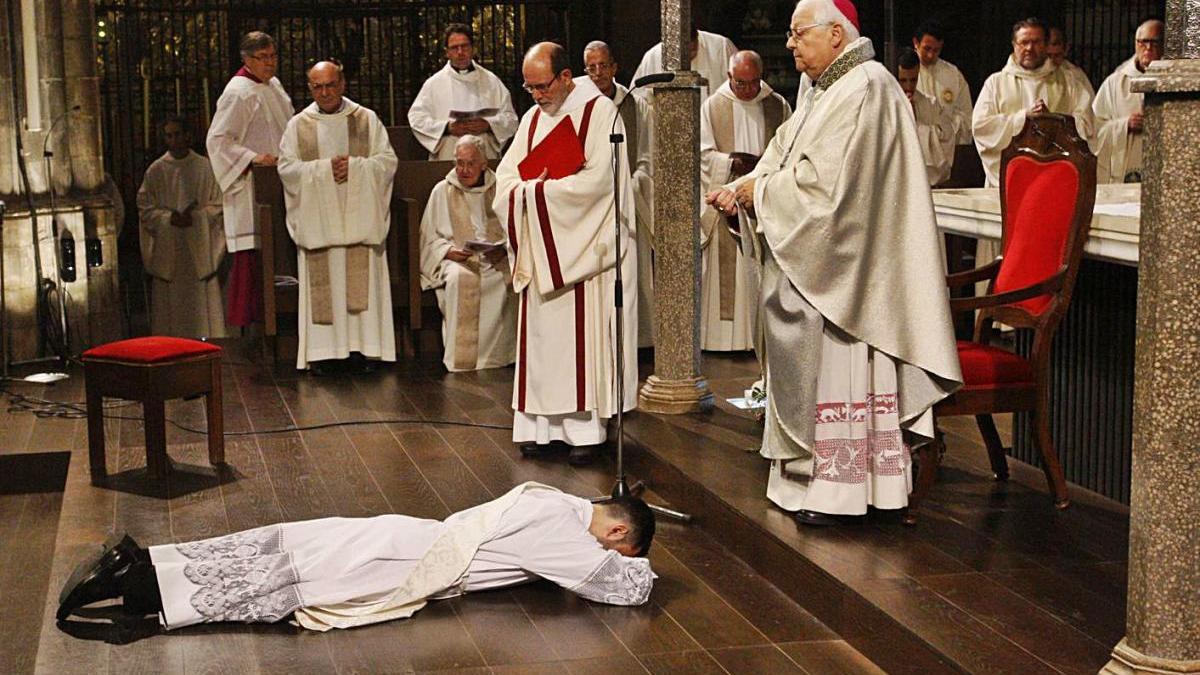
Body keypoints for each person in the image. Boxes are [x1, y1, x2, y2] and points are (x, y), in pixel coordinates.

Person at [705, 0, 962, 526]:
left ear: (836, 35)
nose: (792, 45)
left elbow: (831, 192)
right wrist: (740, 187)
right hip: (830, 271)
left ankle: (841, 493)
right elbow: (783, 155)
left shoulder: (866, 87)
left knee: (844, 373)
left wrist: (761, 193)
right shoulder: (828, 90)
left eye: (800, 35)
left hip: (851, 279)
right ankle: (815, 486)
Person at [56, 482, 656, 633]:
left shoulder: (550, 496)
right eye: (620, 544)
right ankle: (144, 591)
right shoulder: (563, 530)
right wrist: (638, 563)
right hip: (410, 562)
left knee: (295, 542)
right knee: (301, 578)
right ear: (616, 532)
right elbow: (627, 588)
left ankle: (147, 562)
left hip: (409, 532)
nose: (612, 554)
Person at [493, 42, 638, 467]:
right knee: (542, 343)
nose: (536, 95)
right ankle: (539, 428)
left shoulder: (600, 113)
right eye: (528, 87)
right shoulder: (533, 119)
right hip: (545, 249)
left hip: (583, 256)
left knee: (581, 343)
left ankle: (583, 431)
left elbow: (599, 185)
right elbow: (506, 179)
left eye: (542, 86)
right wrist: (528, 193)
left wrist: (537, 192)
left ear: (565, 77)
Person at [277, 61, 398, 374]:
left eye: (330, 84)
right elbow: (287, 169)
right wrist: (324, 170)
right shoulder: (298, 125)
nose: (325, 92)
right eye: (317, 86)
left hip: (360, 227)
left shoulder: (366, 120)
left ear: (342, 84)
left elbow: (387, 162)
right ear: (310, 89)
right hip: (321, 229)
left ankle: (364, 351)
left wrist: (357, 167)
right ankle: (324, 353)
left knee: (360, 283)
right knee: (325, 283)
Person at [699, 50, 791, 353]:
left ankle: (760, 339)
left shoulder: (777, 105)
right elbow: (702, 155)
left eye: (754, 82)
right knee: (730, 271)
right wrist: (732, 162)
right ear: (729, 77)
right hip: (728, 199)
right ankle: (724, 340)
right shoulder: (713, 107)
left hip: (765, 200)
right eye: (741, 82)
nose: (748, 89)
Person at [206, 31, 294, 329]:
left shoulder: (273, 85)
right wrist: (253, 158)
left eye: (273, 56)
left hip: (279, 180)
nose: (270, 63)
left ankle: (279, 319)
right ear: (246, 59)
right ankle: (252, 322)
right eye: (263, 57)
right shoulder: (237, 92)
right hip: (251, 187)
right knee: (253, 259)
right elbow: (218, 141)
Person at [419, 135, 518, 372]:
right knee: (459, 279)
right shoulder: (442, 190)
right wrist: (448, 251)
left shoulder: (501, 188)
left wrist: (504, 249)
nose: (464, 170)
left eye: (470, 163)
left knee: (514, 277)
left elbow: (516, 228)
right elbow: (428, 239)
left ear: (484, 164)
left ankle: (505, 355)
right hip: (459, 260)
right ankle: (464, 360)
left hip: (494, 258)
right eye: (459, 163)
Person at [583, 40, 656, 348]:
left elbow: (647, 156)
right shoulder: (579, 104)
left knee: (632, 269)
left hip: (629, 199)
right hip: (592, 202)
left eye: (603, 66)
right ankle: (600, 339)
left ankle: (636, 340)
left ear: (614, 67)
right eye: (591, 67)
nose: (598, 73)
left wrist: (632, 182)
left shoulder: (635, 104)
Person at [973, 17, 1094, 187]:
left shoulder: (1069, 82)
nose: (1029, 48)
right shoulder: (996, 83)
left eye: (1036, 42)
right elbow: (981, 127)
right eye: (1024, 42)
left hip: (1056, 180)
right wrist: (1022, 119)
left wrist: (1051, 121)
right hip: (1009, 181)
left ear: (1046, 45)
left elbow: (1087, 126)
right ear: (1014, 45)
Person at [137, 117, 228, 338]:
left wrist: (196, 218)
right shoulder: (156, 170)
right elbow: (145, 208)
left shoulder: (205, 167)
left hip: (198, 249)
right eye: (169, 135)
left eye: (178, 134)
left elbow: (219, 204)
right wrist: (168, 219)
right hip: (170, 250)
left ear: (188, 136)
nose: (174, 140)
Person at [408, 23, 520, 160]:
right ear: (447, 52)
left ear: (473, 48)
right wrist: (446, 128)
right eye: (454, 48)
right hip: (449, 156)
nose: (460, 52)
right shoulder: (433, 84)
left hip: (484, 156)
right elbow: (416, 118)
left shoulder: (491, 81)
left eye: (465, 46)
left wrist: (489, 125)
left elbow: (511, 118)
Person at [1092, 18, 1164, 184]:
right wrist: (1124, 125)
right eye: (1143, 42)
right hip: (1125, 163)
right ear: (1136, 44)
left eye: (1154, 42)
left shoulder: (1174, 81)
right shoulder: (1115, 82)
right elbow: (1095, 128)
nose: (1148, 48)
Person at [630, 20, 737, 102]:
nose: (686, 58)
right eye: (680, 54)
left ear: (697, 38)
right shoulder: (653, 56)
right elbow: (637, 99)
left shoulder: (721, 47)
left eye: (691, 51)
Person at [897, 50, 956, 187]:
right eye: (903, 80)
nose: (908, 87)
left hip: (927, 186)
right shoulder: (886, 106)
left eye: (913, 80)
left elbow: (947, 136)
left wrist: (918, 126)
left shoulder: (931, 104)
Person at [912, 20, 973, 144]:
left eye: (936, 50)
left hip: (947, 148)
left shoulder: (953, 74)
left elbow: (967, 118)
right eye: (927, 49)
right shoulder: (904, 71)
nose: (930, 55)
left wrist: (944, 130)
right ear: (916, 43)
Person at [1047, 26, 1095, 101]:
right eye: (1048, 56)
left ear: (1066, 50)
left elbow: (1087, 108)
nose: (1051, 61)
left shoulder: (1076, 76)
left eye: (1057, 56)